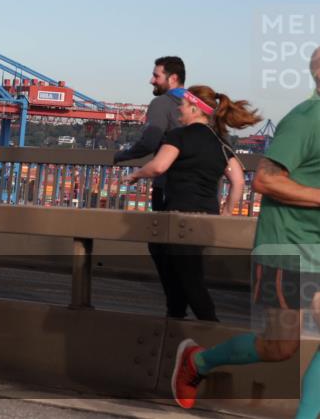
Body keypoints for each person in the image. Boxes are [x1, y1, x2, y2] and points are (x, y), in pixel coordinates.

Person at [171, 48, 320, 418]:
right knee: (278, 347)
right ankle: (198, 362)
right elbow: (266, 181)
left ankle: (198, 361)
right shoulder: (307, 119)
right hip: (288, 245)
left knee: (280, 347)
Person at [124, 85, 260, 321]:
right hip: (207, 217)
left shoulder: (178, 136)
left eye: (184, 105)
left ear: (196, 108)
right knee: (182, 269)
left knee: (188, 278)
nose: (179, 109)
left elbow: (159, 166)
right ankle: (176, 319)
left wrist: (136, 175)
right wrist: (226, 213)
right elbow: (238, 182)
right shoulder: (220, 142)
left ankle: (209, 330)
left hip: (180, 216)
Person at [115, 57, 186, 316]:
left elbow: (149, 141)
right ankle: (191, 308)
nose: (151, 80)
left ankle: (177, 308)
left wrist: (122, 156)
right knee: (186, 249)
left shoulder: (162, 103)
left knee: (159, 245)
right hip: (201, 188)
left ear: (172, 78)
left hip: (168, 185)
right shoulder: (199, 105)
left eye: (156, 76)